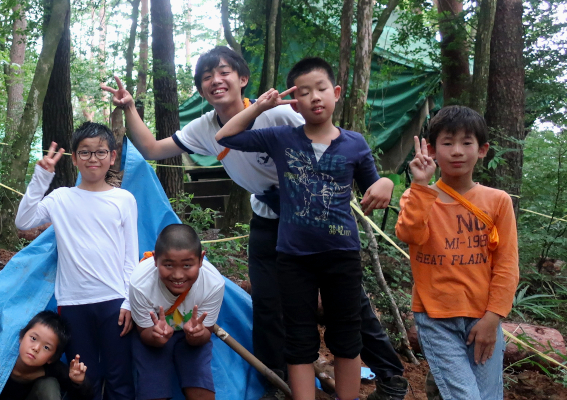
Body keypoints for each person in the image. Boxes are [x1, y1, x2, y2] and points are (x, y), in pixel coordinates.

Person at [101, 47, 408, 400]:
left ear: (242, 79)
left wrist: (373, 182)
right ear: (201, 90)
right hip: (267, 218)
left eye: (224, 72)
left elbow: (326, 140)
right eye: (206, 77)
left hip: (314, 218)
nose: (216, 80)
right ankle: (278, 381)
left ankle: (390, 376)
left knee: (349, 303)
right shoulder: (205, 127)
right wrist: (129, 108)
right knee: (267, 302)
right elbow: (153, 149)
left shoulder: (280, 113)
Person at [213, 57, 394, 400]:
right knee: (298, 338)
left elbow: (375, 187)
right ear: (294, 103)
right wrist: (260, 106)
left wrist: (385, 181)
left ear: (336, 93)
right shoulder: (282, 137)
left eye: (321, 89)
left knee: (347, 337)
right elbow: (226, 135)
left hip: (342, 256)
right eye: (304, 92)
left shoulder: (354, 143)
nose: (314, 97)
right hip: (293, 258)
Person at [395, 105, 518, 400]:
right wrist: (421, 186)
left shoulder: (498, 201)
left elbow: (507, 265)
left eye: (467, 142)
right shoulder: (417, 196)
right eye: (447, 143)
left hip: (483, 317)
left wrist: (492, 318)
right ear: (433, 150)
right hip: (435, 316)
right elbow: (409, 234)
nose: (457, 151)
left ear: (482, 149)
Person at [15, 122, 138, 400]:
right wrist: (41, 177)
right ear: (74, 158)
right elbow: (23, 221)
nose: (93, 159)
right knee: (84, 377)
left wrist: (130, 301)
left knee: (120, 375)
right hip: (73, 304)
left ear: (113, 157)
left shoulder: (124, 199)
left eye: (100, 152)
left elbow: (131, 257)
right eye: (85, 153)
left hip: (114, 302)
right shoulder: (61, 198)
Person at [130, 224, 223, 400]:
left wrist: (197, 334)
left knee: (201, 391)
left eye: (187, 265)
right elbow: (143, 332)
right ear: (155, 259)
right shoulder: (140, 283)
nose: (178, 275)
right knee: (152, 392)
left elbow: (206, 333)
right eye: (169, 265)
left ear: (201, 259)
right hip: (154, 335)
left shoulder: (213, 284)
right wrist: (156, 337)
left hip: (191, 338)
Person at [1, 311, 94, 400]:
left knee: (48, 384)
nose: (36, 348)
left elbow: (84, 397)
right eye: (33, 338)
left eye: (46, 347)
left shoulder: (55, 370)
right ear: (21, 337)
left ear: (52, 358)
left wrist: (78, 382)